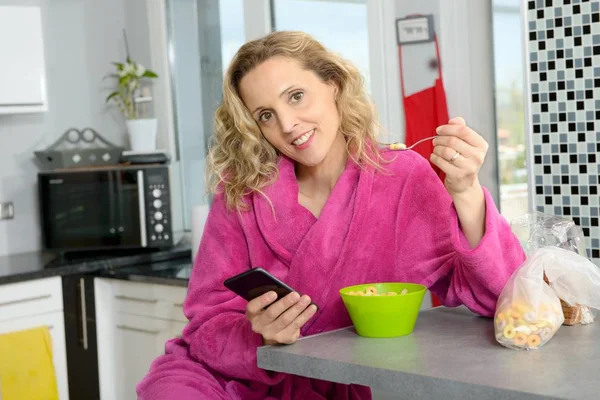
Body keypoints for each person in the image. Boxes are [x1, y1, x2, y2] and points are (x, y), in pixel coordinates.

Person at [137, 31, 525, 400]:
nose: (287, 125)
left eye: (297, 96)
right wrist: (259, 335)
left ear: (333, 84)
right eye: (265, 115)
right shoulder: (243, 189)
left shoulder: (401, 179)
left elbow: (506, 301)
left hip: (322, 384)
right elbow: (205, 323)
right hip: (219, 377)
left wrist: (467, 191)